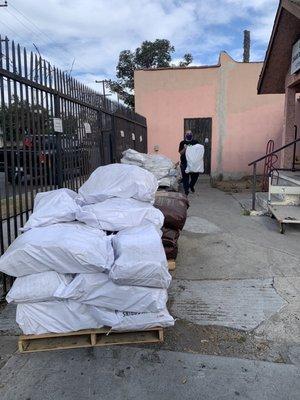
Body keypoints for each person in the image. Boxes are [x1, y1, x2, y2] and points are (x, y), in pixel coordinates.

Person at [179, 130, 200, 195]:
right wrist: (185, 148)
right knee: (185, 177)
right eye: (187, 133)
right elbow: (180, 153)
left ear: (192, 135)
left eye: (190, 133)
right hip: (185, 162)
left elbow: (199, 151)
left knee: (195, 176)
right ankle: (186, 190)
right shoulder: (182, 143)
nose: (189, 134)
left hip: (194, 163)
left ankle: (191, 185)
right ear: (185, 135)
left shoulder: (195, 142)